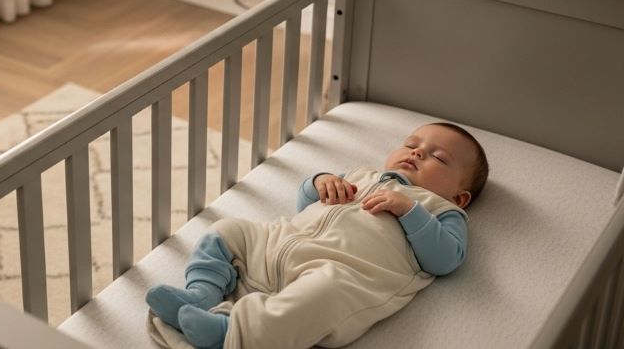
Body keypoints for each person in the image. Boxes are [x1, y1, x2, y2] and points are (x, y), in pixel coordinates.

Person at [146, 122, 488, 349]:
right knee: (228, 229)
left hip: (335, 273)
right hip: (277, 244)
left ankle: (229, 333)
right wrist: (321, 182)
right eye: (411, 144)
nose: (417, 153)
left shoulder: (440, 210)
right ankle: (202, 294)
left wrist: (410, 211)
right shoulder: (362, 174)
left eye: (438, 157)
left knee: (325, 295)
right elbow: (305, 203)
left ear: (459, 197)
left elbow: (446, 260)